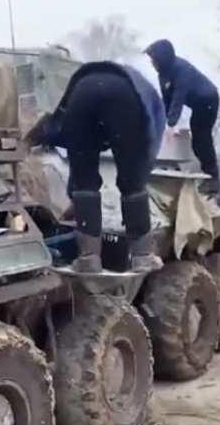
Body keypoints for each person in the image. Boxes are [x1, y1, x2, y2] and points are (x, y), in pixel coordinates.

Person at [25, 61, 166, 273]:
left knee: (85, 181)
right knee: (132, 182)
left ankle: (88, 259)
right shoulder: (147, 101)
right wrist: (137, 179)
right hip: (124, 95)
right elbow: (146, 153)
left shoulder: (94, 85)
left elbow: (79, 163)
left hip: (81, 92)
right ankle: (142, 257)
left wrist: (78, 197)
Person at [145, 40, 220, 195]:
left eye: (153, 59)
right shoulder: (163, 75)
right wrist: (160, 123)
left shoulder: (181, 70)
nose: (152, 63)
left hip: (208, 100)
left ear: (162, 59)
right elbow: (167, 102)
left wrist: (171, 125)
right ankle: (211, 177)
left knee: (201, 138)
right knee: (197, 141)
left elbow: (178, 99)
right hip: (197, 105)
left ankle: (214, 179)